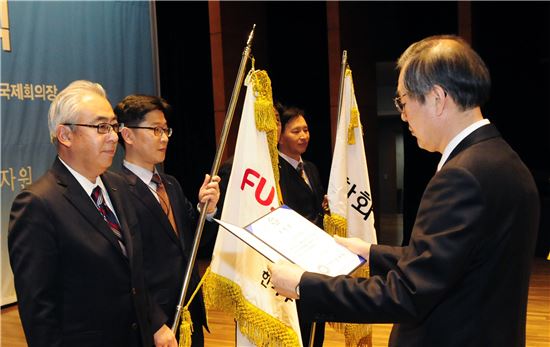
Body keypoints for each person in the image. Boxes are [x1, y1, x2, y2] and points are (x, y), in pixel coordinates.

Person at [269, 35, 540, 347]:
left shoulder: (463, 176)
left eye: (403, 101)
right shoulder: (503, 160)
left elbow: (406, 294)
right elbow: (447, 260)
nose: (402, 115)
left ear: (437, 98)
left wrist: (304, 285)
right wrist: (368, 251)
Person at [8, 80, 171, 347]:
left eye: (113, 126)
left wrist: (155, 323)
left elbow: (134, 271)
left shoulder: (118, 186)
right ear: (66, 135)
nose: (113, 137)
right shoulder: (38, 205)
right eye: (101, 127)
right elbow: (39, 313)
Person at [114, 94, 220, 347]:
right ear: (127, 135)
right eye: (155, 130)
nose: (164, 138)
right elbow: (125, 268)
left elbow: (193, 245)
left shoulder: (170, 183)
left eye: (165, 130)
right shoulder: (116, 190)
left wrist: (207, 211)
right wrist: (154, 321)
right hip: (153, 321)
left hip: (188, 310)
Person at [277, 105, 326, 347]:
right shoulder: (274, 171)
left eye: (306, 129)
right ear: (280, 135)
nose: (304, 136)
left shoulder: (311, 168)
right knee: (299, 325)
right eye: (296, 131)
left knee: (318, 322)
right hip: (293, 262)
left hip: (319, 259)